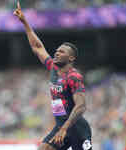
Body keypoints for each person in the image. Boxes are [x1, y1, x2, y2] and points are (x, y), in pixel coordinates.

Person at [13, 1, 92, 150]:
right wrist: (24, 22)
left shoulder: (74, 76)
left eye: (61, 52)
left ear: (71, 58)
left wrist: (65, 128)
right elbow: (37, 47)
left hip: (77, 129)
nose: (56, 52)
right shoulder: (53, 68)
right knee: (43, 148)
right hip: (60, 126)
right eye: (56, 50)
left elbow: (81, 106)